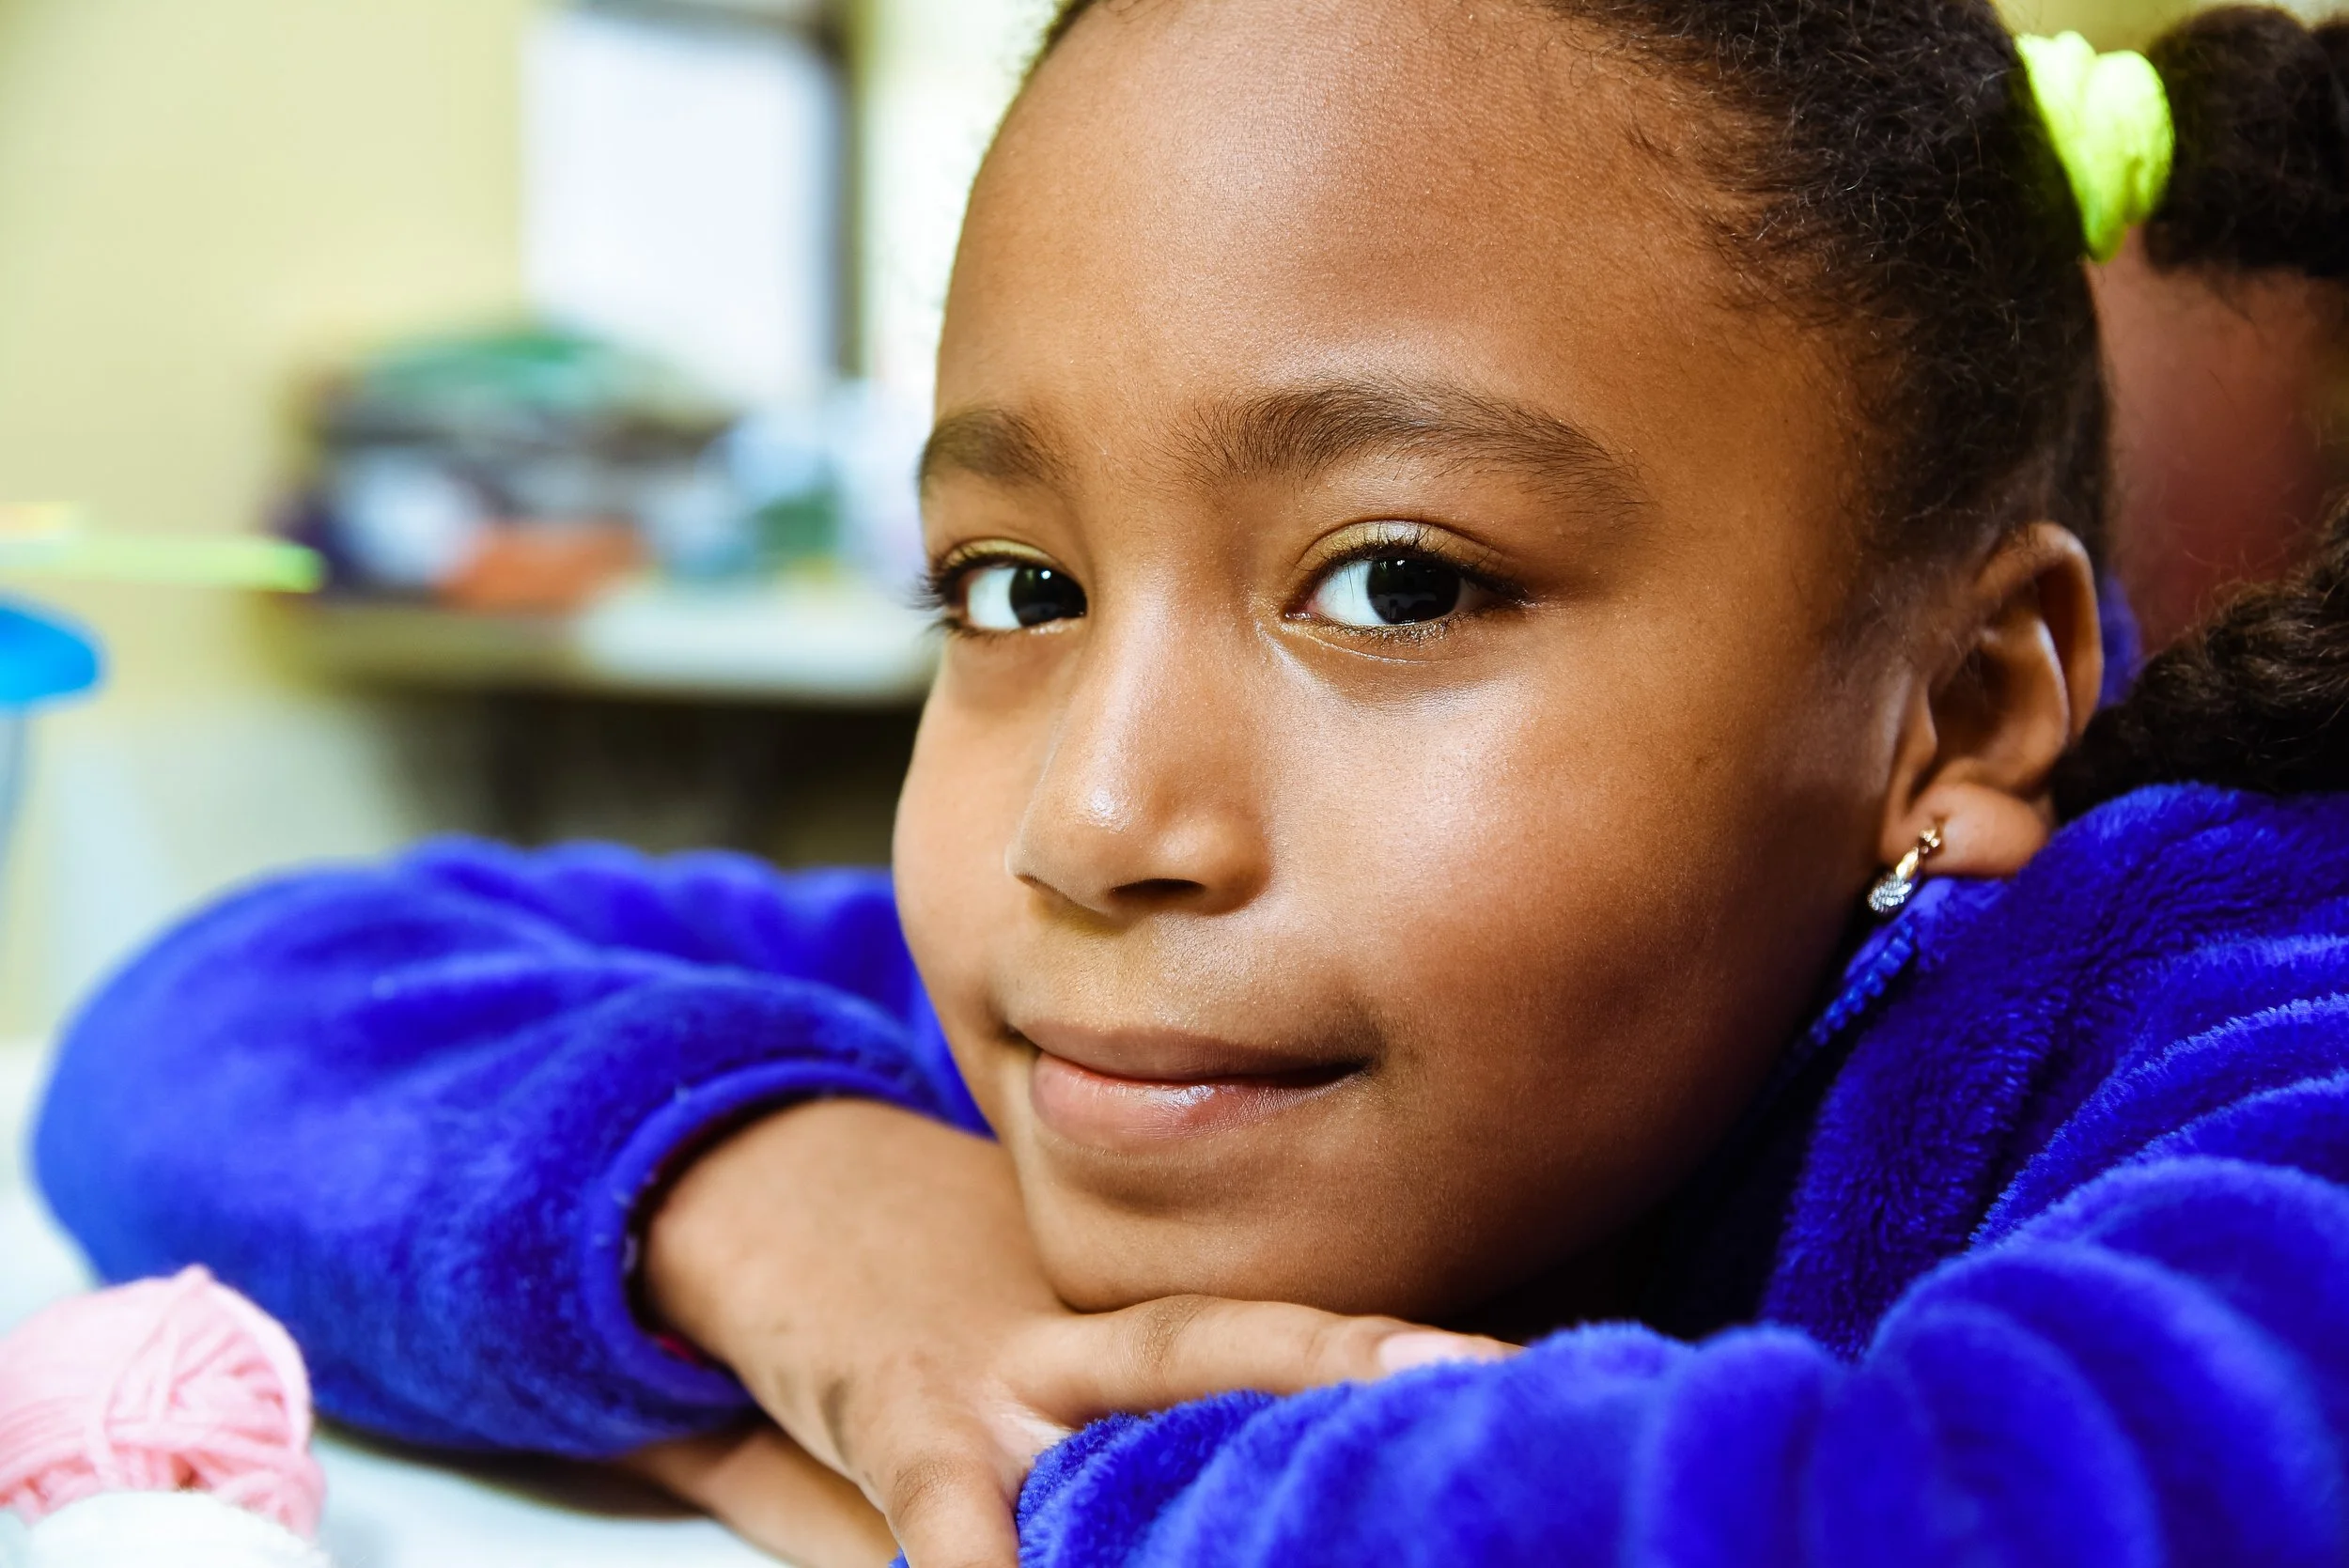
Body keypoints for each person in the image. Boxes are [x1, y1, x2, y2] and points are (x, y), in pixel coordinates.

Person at [34, 3, 2349, 1565]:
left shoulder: (2228, 994)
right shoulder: (1137, 1034)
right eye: (1015, 588)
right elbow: (205, 1026)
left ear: (1949, 713)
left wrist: (1051, 1442)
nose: (1097, 820)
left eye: (1398, 587)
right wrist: (782, 1214)